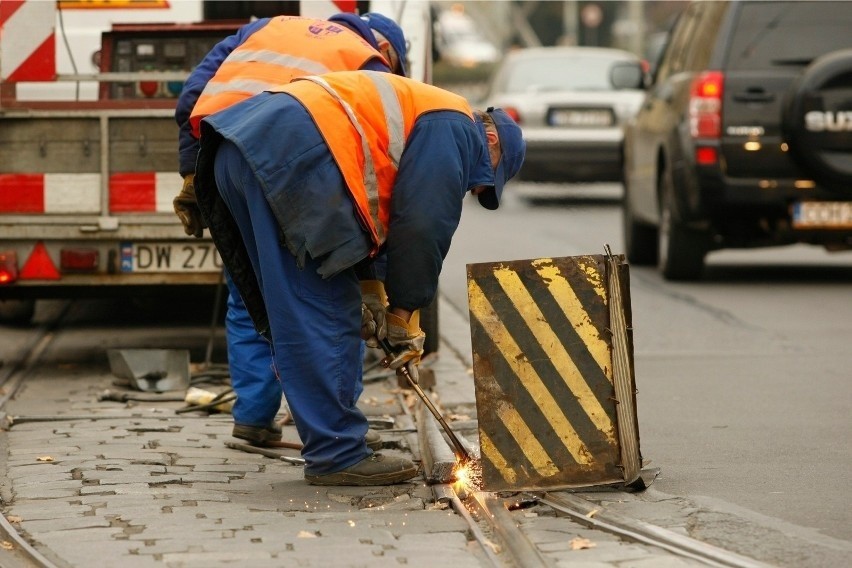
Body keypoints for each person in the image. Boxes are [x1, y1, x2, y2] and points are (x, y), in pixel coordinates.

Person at [193, 70, 525, 486]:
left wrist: (371, 292)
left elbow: (376, 213)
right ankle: (337, 451)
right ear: (491, 141)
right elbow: (422, 225)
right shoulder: (455, 125)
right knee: (323, 310)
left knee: (298, 310)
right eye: (484, 179)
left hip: (244, 149)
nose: (475, 188)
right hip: (288, 156)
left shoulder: (426, 110)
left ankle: (337, 433)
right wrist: (403, 312)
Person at [172, 13, 408, 449]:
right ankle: (335, 428)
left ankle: (255, 418)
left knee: (249, 296)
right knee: (336, 295)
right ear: (389, 53)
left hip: (226, 165)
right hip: (294, 178)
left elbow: (192, 97)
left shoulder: (269, 27)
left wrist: (192, 174)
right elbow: (379, 183)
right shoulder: (368, 65)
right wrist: (375, 276)